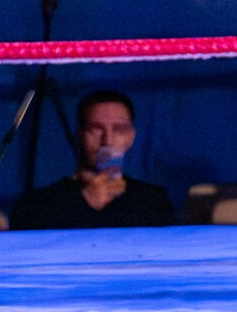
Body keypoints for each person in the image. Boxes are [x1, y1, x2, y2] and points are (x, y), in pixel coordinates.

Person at [12, 90, 174, 229]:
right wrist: (86, 201)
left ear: (131, 137)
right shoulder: (39, 204)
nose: (107, 141)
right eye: (96, 129)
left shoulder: (153, 200)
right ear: (79, 136)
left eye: (119, 129)